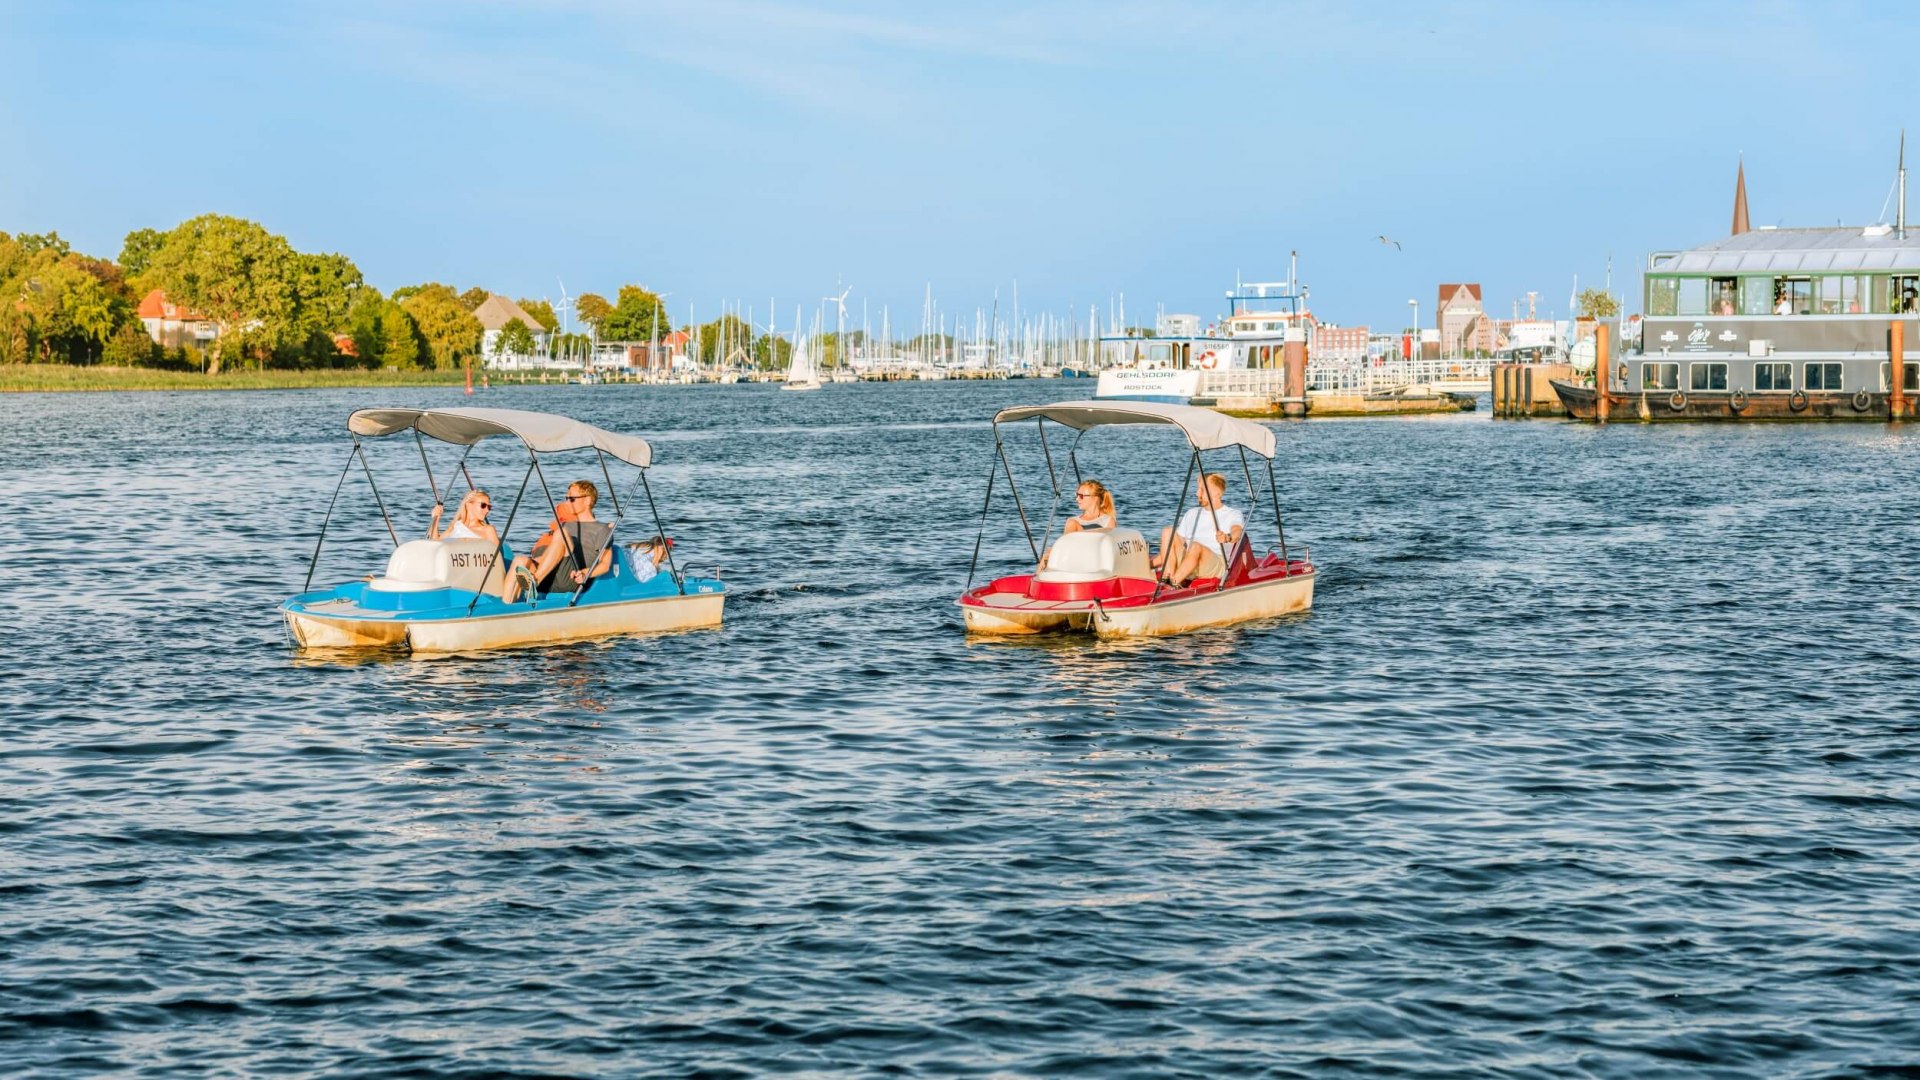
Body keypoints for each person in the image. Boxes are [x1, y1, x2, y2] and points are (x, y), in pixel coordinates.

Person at [502, 480, 614, 603]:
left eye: (572, 499)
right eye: (567, 498)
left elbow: (605, 565)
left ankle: (535, 582)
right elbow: (553, 554)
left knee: (561, 534)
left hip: (573, 580)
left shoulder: (602, 529)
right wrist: (532, 563)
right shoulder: (565, 525)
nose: (567, 502)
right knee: (520, 560)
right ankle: (507, 607)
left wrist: (585, 573)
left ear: (587, 500)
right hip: (551, 577)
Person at [1152, 473, 1245, 588]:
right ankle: (1167, 578)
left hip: (1216, 564)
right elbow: (1171, 551)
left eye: (1202, 490)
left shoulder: (1232, 514)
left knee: (1196, 546)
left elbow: (1238, 532)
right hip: (1190, 560)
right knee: (1168, 532)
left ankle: (1173, 583)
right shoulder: (1192, 513)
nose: (1197, 493)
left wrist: (1227, 537)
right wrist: (1148, 564)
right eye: (1198, 489)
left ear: (1217, 492)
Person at [428, 489, 498, 545]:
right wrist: (436, 517)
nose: (487, 510)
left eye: (489, 507)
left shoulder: (488, 530)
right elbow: (435, 544)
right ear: (468, 505)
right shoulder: (455, 526)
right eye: (483, 505)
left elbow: (497, 557)